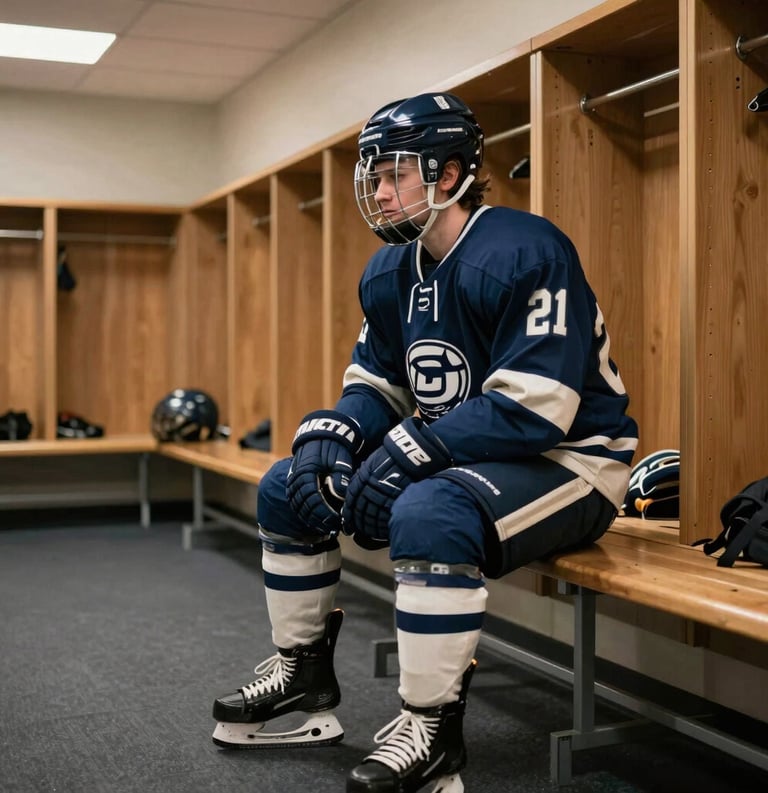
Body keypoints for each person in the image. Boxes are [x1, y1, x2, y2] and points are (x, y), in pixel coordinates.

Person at [211, 92, 639, 793]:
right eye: (373, 176)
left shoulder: (527, 249)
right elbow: (380, 385)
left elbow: (536, 412)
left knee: (429, 512)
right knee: (287, 484)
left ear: (447, 174)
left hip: (573, 462)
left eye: (394, 173)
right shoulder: (388, 273)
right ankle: (303, 675)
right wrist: (338, 433)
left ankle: (433, 731)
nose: (378, 192)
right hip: (466, 453)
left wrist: (410, 450)